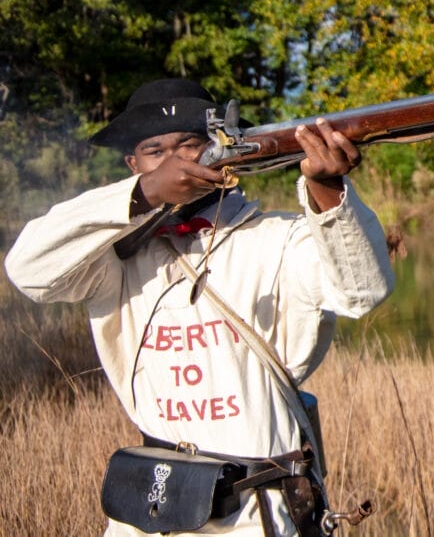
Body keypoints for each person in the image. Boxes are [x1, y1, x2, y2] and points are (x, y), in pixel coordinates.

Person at [4, 79, 395, 536]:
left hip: (257, 515)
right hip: (150, 509)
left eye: (190, 144)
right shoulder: (112, 258)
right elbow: (28, 268)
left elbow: (362, 292)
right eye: (156, 151)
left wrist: (326, 187)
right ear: (134, 165)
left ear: (220, 149)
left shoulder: (279, 238)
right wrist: (143, 195)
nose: (177, 160)